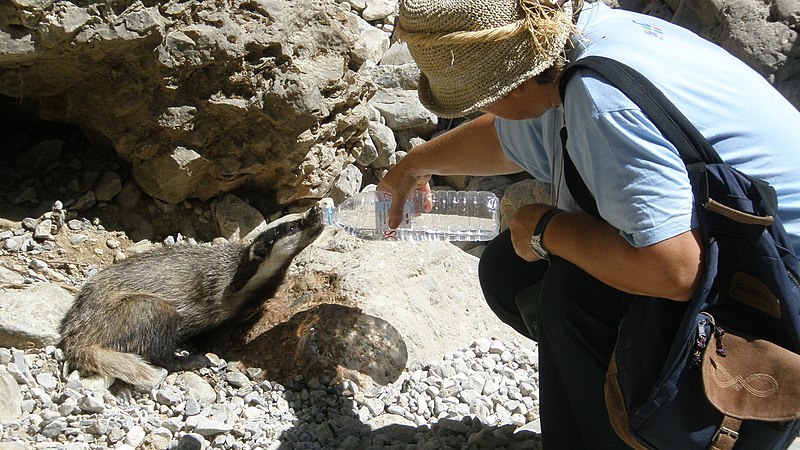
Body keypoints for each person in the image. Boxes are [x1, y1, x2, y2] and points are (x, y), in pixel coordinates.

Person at [376, 0, 800, 448]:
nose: (487, 110)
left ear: (510, 85)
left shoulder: (600, 100)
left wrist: (544, 227)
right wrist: (414, 165)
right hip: (757, 264)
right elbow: (509, 138)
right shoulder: (587, 41)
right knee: (513, 271)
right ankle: (624, 408)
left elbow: (676, 270)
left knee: (571, 291)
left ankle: (690, 422)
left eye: (482, 100)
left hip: (777, 309)